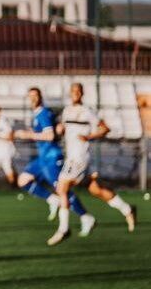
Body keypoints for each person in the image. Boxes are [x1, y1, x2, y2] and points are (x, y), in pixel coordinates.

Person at [50, 83, 136, 242]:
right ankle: (127, 209)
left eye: (78, 91)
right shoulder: (67, 110)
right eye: (73, 91)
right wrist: (60, 130)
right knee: (96, 190)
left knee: (62, 187)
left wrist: (88, 137)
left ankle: (64, 229)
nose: (75, 93)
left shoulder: (87, 112)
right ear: (70, 93)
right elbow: (63, 129)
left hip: (80, 157)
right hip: (73, 157)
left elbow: (105, 129)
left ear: (82, 93)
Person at [13, 87, 95, 246]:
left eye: (35, 96)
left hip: (51, 158)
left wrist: (28, 135)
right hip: (43, 159)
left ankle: (85, 217)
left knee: (62, 189)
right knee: (23, 180)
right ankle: (52, 200)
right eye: (30, 96)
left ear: (40, 97)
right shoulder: (38, 114)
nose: (33, 99)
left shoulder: (43, 113)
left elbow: (50, 135)